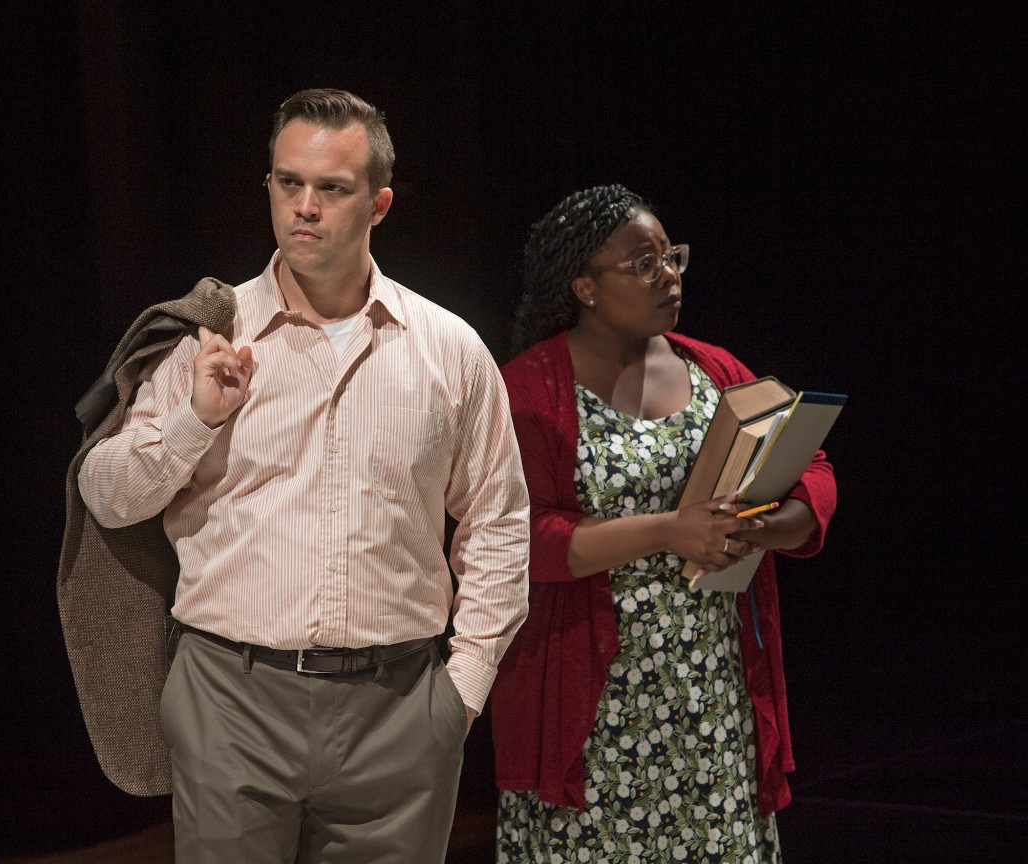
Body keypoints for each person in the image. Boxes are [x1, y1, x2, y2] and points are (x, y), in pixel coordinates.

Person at [77, 88, 529, 863]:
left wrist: (460, 695)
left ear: (379, 203)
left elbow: (497, 523)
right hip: (232, 697)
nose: (305, 207)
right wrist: (196, 418)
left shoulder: (448, 349)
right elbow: (108, 497)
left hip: (398, 706)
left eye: (332, 188)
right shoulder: (209, 337)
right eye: (289, 183)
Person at [490, 184, 836, 862]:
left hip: (710, 689)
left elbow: (809, 461)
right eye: (642, 263)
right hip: (594, 705)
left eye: (670, 256)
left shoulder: (713, 368)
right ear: (584, 286)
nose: (669, 275)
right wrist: (667, 530)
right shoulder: (529, 390)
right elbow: (517, 539)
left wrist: (775, 524)